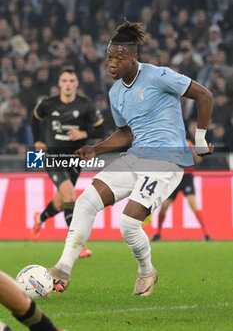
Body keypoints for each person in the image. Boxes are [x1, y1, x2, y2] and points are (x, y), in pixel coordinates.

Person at [48, 19, 213, 296]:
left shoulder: (159, 76)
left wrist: (199, 138)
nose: (111, 63)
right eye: (108, 57)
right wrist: (95, 149)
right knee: (86, 202)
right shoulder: (115, 93)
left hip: (165, 161)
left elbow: (204, 95)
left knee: (127, 224)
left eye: (118, 57)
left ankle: (147, 271)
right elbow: (126, 134)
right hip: (136, 156)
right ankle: (63, 269)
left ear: (133, 58)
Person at [30, 67, 104, 259]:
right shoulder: (48, 104)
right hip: (52, 157)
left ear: (76, 84)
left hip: (74, 159)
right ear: (59, 84)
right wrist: (37, 141)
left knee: (61, 201)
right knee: (71, 197)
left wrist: (84, 134)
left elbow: (101, 130)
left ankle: (39, 219)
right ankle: (76, 245)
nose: (68, 84)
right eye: (64, 81)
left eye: (72, 80)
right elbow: (34, 118)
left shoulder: (86, 105)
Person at [150, 140, 212, 241]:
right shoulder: (170, 144)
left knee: (192, 203)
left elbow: (198, 160)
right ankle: (158, 233)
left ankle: (206, 234)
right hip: (174, 177)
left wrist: (193, 152)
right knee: (164, 205)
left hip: (187, 177)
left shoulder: (188, 143)